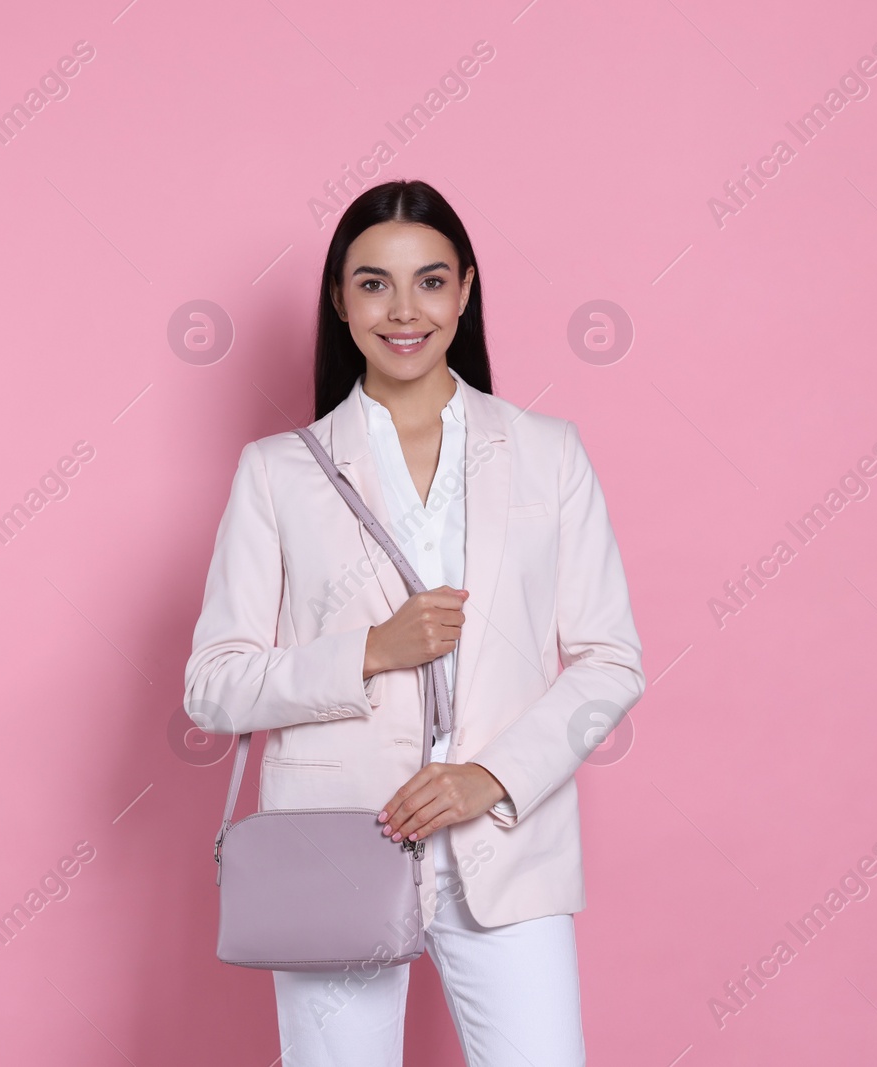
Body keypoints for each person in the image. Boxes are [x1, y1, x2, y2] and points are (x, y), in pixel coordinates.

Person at [183, 179, 646, 1067]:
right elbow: (213, 685)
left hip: (507, 848)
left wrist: (491, 776)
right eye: (373, 283)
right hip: (335, 846)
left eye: (431, 281)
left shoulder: (549, 453)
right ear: (339, 299)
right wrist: (369, 652)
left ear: (466, 290)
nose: (404, 310)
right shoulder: (279, 472)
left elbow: (609, 661)